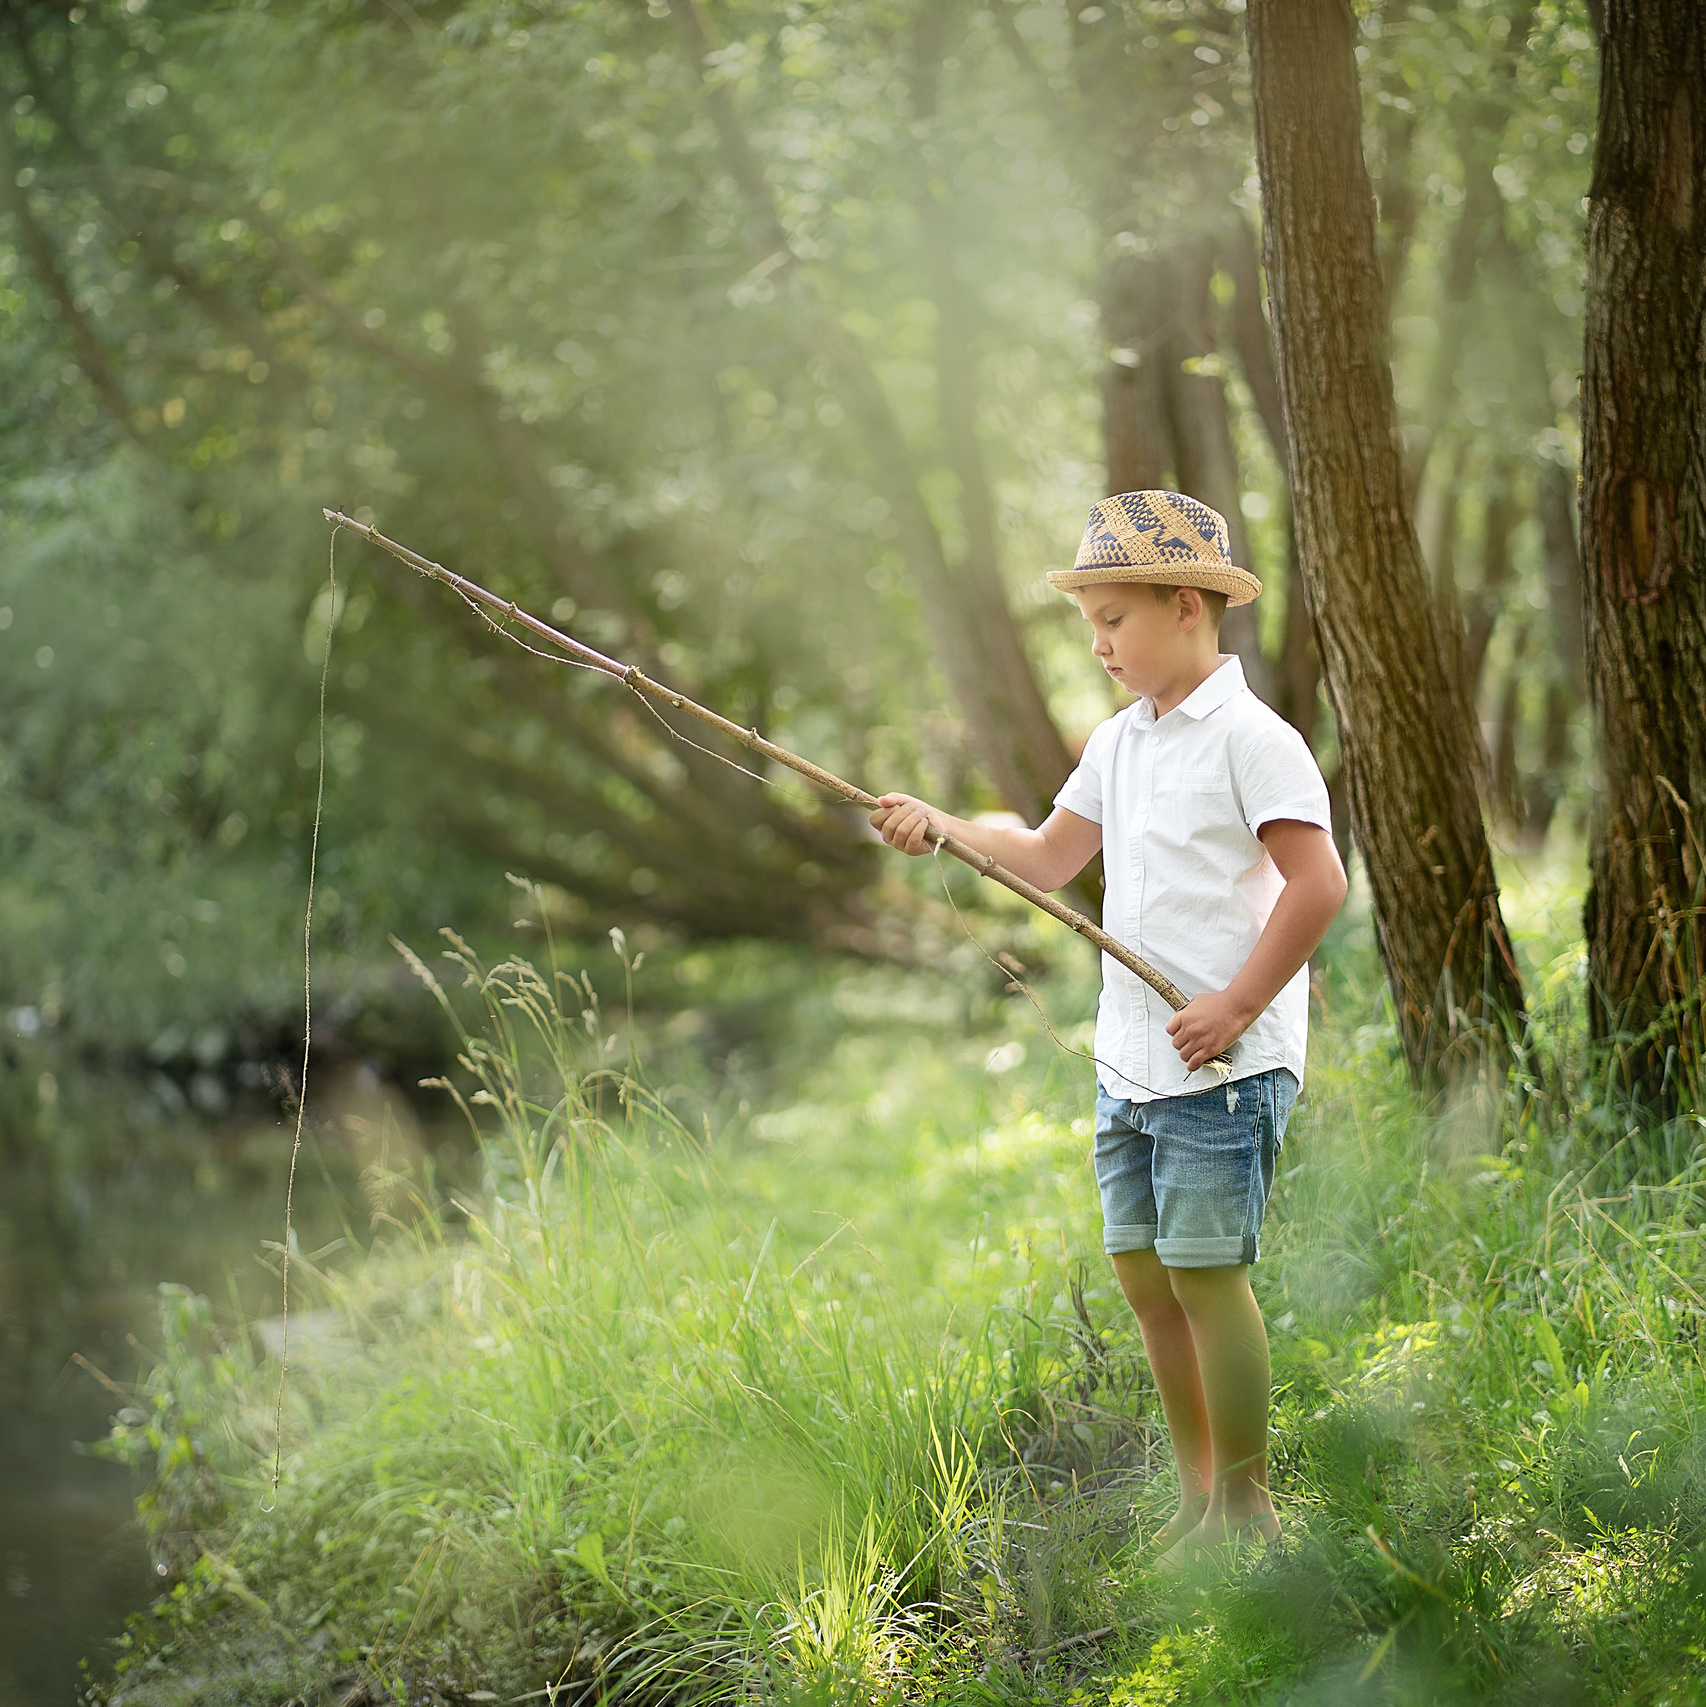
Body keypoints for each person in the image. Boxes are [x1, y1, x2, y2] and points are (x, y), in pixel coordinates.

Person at [870, 489, 1346, 1561]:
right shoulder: (1120, 744)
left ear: (1185, 605)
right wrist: (940, 826)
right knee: (1143, 1277)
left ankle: (1246, 1505)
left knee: (1203, 1277)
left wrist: (1233, 1004)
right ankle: (1195, 1495)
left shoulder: (1251, 740)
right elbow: (1044, 858)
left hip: (1219, 1059)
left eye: (1112, 621)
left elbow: (1317, 886)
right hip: (1129, 1058)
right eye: (1087, 625)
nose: (1096, 646)